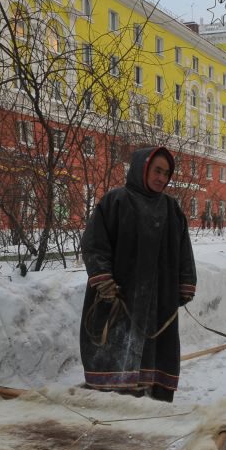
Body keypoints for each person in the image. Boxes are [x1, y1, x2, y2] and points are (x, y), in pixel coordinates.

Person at [79, 145, 197, 401]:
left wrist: (186, 283)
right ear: (142, 168)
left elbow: (184, 250)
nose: (162, 178)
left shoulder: (171, 209)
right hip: (119, 300)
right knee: (116, 360)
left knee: (156, 358)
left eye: (166, 173)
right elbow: (94, 244)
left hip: (159, 302)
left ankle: (151, 412)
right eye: (157, 171)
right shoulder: (116, 201)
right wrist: (103, 280)